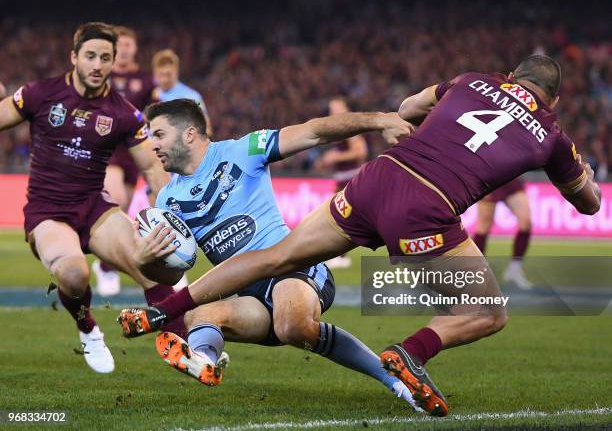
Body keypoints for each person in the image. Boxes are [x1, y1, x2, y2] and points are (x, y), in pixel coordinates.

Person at [118, 55, 601, 416]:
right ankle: (410, 354)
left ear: (511, 76)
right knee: (487, 312)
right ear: (552, 99)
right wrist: (583, 179)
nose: (152, 145)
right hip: (427, 204)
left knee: (277, 265)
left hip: (377, 178)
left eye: (158, 135)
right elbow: (589, 203)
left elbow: (408, 106)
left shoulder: (472, 80)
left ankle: (166, 312)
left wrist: (394, 120)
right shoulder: (552, 133)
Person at [123, 98, 422, 409]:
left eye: (158, 134)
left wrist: (379, 120)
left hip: (294, 269)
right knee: (198, 316)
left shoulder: (244, 150)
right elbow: (173, 273)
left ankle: (397, 380)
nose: (152, 145)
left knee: (291, 324)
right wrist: (148, 260)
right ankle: (203, 360)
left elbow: (314, 132)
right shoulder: (168, 199)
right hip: (252, 296)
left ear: (189, 134)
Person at [0, 22, 174, 374]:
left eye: (105, 58)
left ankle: (187, 344)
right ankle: (89, 329)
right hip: (48, 212)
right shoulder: (39, 94)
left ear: (113, 63)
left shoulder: (124, 113)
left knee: (154, 268)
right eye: (90, 56)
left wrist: (166, 208)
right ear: (74, 57)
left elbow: (153, 170)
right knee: (75, 275)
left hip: (96, 209)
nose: (97, 64)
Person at [92, 26, 159, 296]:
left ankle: (105, 264)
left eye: (129, 44)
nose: (125, 49)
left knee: (124, 208)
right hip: (109, 145)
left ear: (135, 48)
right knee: (116, 199)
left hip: (135, 148)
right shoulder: (102, 74)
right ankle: (107, 267)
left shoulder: (144, 79)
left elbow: (153, 111)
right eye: (121, 44)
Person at [315, 96, 368, 269]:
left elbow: (360, 151)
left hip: (350, 180)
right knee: (339, 217)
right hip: (342, 179)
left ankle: (340, 256)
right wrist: (326, 161)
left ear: (346, 108)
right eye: (332, 109)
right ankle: (340, 255)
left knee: (336, 217)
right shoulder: (339, 130)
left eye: (337, 108)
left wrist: (335, 156)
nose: (334, 113)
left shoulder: (350, 126)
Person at [473, 178, 533, 288]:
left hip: (509, 176)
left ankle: (514, 270)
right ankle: (477, 273)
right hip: (488, 177)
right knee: (483, 227)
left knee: (526, 222)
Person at [152, 49, 213, 137]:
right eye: (161, 75)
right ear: (155, 73)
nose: (165, 79)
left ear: (176, 71)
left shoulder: (191, 97)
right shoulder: (147, 95)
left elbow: (206, 129)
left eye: (168, 74)